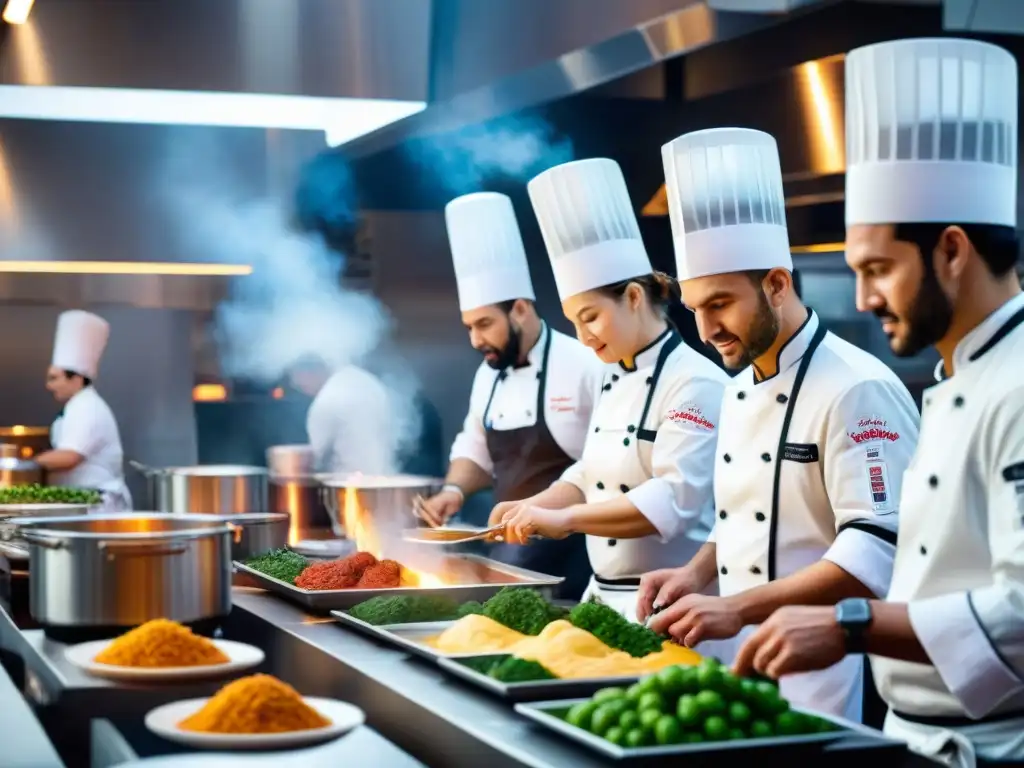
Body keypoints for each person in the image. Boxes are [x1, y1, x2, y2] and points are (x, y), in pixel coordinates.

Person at [731, 38, 1024, 765]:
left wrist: (849, 626)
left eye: (879, 269)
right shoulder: (958, 376)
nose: (862, 298)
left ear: (951, 251)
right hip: (917, 737)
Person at [640, 128, 920, 722]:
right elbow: (741, 519)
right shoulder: (739, 386)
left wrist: (739, 607)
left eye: (720, 303)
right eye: (695, 309)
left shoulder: (856, 388)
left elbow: (874, 553)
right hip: (734, 656)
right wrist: (694, 575)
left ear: (776, 283)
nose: (707, 328)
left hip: (825, 668)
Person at [488, 157, 730, 621]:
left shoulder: (695, 382)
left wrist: (565, 521)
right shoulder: (610, 372)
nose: (583, 337)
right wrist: (532, 506)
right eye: (574, 323)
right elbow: (590, 473)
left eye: (591, 317)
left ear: (634, 297)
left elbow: (673, 500)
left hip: (669, 604)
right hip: (599, 598)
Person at [418, 192, 599, 599]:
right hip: (511, 559)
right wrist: (454, 491)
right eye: (468, 327)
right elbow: (476, 445)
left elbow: (608, 469)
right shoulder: (489, 373)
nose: (475, 339)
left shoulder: (585, 363)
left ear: (519, 309)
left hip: (574, 562)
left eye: (484, 324)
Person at [35, 310, 132, 513]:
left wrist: (23, 464)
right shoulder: (77, 406)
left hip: (97, 507)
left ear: (76, 379)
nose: (49, 386)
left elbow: (69, 457)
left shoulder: (87, 408)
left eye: (54, 378)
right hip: (83, 504)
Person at [288, 355, 398, 476]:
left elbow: (315, 456)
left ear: (309, 375)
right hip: (384, 479)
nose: (305, 391)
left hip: (348, 486)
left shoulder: (325, 401)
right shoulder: (366, 381)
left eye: (302, 385)